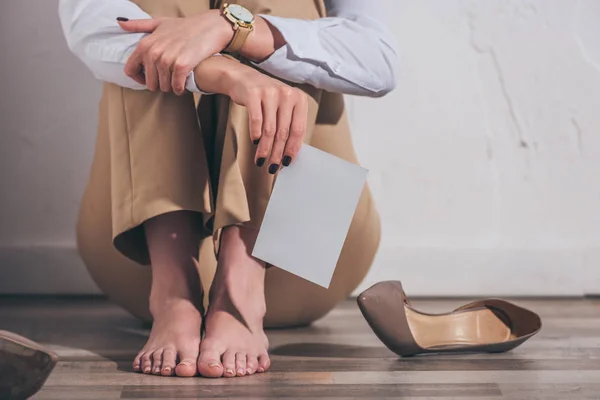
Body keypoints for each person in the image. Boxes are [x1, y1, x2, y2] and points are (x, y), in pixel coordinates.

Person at [59, 0, 398, 379]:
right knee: (148, 24)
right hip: (138, 260)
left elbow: (379, 59)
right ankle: (174, 294)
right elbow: (91, 22)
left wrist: (240, 30)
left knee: (286, 10)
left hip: (304, 255)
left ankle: (244, 282)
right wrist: (218, 70)